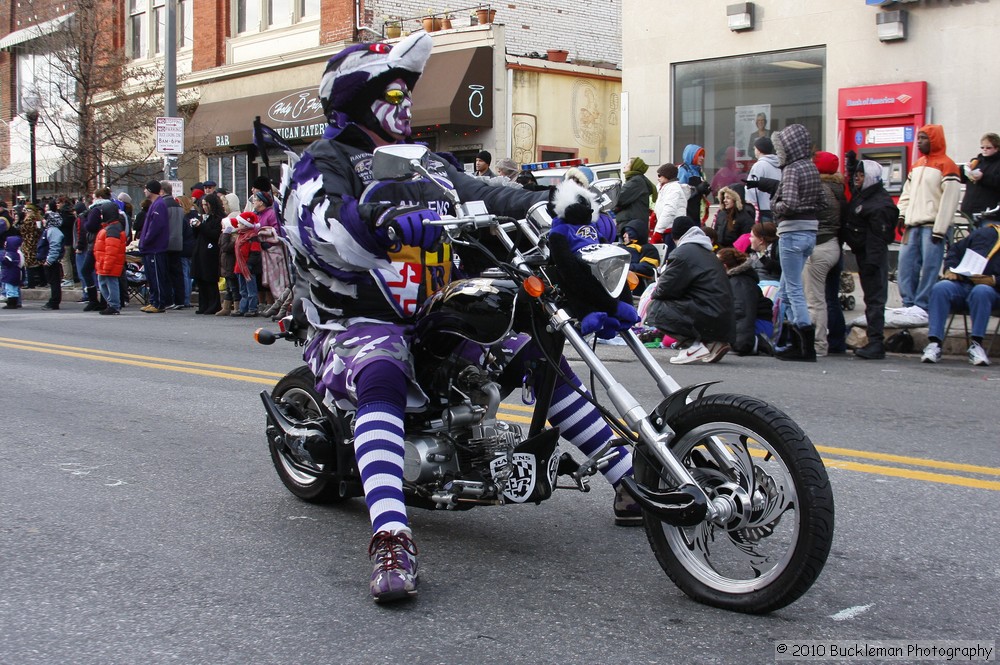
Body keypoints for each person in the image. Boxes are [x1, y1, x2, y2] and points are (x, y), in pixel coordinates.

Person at [281, 33, 639, 602]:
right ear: (355, 96)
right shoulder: (321, 162)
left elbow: (477, 191)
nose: (406, 102)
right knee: (382, 371)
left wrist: (542, 208)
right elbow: (322, 228)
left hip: (429, 312)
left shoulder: (424, 160)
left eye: (408, 91)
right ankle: (391, 538)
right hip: (353, 322)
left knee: (531, 351)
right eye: (394, 89)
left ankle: (628, 477)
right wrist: (380, 222)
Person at [765, 123, 824, 362]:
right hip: (810, 232)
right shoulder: (811, 167)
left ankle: (803, 344)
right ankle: (788, 339)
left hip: (791, 232)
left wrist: (773, 206)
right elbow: (823, 202)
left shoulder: (791, 170)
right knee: (787, 288)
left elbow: (787, 204)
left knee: (794, 288)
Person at [644, 215, 734, 364]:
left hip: (708, 314)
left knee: (655, 307)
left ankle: (693, 345)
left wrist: (653, 293)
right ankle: (712, 343)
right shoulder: (707, 252)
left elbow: (664, 289)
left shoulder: (682, 254)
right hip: (721, 317)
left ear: (675, 237)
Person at [896, 124, 962, 318]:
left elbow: (949, 201)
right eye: (919, 137)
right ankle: (908, 302)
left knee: (930, 267)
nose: (919, 141)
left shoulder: (947, 165)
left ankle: (922, 304)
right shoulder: (917, 165)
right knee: (906, 265)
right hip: (913, 224)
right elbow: (907, 192)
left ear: (934, 140)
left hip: (932, 226)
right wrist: (902, 213)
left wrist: (940, 229)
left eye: (924, 138)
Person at [843, 159, 901, 360]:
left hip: (872, 257)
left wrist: (872, 263)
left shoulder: (880, 204)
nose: (856, 179)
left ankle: (876, 343)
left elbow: (878, 238)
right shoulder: (866, 194)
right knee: (871, 298)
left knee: (875, 299)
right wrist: (850, 168)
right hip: (863, 253)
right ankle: (873, 340)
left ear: (870, 178)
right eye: (855, 176)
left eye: (860, 176)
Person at [920, 222, 1000, 366]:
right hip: (965, 284)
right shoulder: (985, 233)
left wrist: (994, 280)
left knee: (981, 291)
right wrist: (949, 269)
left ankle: (977, 345)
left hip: (993, 291)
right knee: (941, 288)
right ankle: (935, 344)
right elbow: (955, 251)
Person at [804, 151, 845, 358]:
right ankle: (837, 341)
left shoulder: (819, 190)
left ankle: (819, 344)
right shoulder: (839, 188)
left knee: (815, 299)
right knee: (831, 299)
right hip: (835, 245)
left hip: (819, 246)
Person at [717, 247, 773, 356]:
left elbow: (743, 313)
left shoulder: (740, 283)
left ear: (724, 267)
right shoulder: (733, 280)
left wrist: (743, 344)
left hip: (757, 327)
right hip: (749, 324)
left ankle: (755, 342)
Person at [138, 180, 178, 313]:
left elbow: (156, 226)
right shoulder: (155, 204)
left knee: (157, 276)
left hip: (155, 248)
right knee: (151, 277)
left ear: (150, 190)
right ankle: (154, 300)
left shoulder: (159, 205)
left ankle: (159, 303)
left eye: (145, 189)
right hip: (150, 248)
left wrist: (146, 241)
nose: (144, 191)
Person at [191, 192, 224, 315]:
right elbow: (197, 235)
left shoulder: (218, 219)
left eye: (207, 205)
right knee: (200, 279)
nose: (204, 207)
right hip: (200, 250)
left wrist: (201, 226)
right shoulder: (203, 217)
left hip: (211, 251)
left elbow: (214, 234)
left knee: (209, 279)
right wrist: (195, 227)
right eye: (203, 205)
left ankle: (213, 305)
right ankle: (203, 304)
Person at [93, 200, 127, 315]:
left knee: (109, 283)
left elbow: (111, 250)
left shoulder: (112, 229)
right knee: (105, 283)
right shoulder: (113, 227)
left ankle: (114, 305)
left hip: (107, 262)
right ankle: (113, 304)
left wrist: (107, 265)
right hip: (106, 262)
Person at [959, 132, 1000, 223]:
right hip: (971, 210)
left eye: (988, 148)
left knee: (987, 235)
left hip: (989, 212)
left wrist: (983, 177)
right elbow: (962, 179)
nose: (985, 150)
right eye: (982, 147)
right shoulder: (977, 161)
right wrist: (964, 169)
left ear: (997, 148)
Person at [614, 156, 655, 242]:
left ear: (634, 166)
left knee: (628, 253)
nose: (624, 166)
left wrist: (613, 206)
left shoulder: (636, 181)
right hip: (631, 225)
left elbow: (618, 199)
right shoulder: (635, 180)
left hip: (631, 227)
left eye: (627, 163)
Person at [651, 163, 686, 250]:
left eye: (660, 175)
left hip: (671, 229)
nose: (658, 178)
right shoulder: (663, 187)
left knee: (669, 256)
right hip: (666, 228)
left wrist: (658, 231)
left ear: (667, 175)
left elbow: (669, 211)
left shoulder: (673, 188)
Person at [745, 137, 781, 222]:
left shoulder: (759, 165)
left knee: (762, 235)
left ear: (759, 150)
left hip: (762, 211)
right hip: (777, 209)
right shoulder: (780, 165)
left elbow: (751, 189)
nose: (754, 150)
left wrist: (749, 207)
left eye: (755, 148)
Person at [620, 222, 660, 295]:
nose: (624, 236)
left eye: (627, 232)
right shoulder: (621, 246)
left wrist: (625, 267)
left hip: (632, 282)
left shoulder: (648, 249)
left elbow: (648, 269)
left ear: (635, 234)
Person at [37, 207, 65, 310]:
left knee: (54, 282)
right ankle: (53, 301)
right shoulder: (49, 230)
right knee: (53, 281)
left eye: (45, 218)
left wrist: (49, 260)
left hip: (51, 262)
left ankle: (54, 302)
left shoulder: (53, 231)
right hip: (49, 260)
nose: (43, 220)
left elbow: (54, 247)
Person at [712, 184, 755, 249]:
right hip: (719, 250)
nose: (724, 200)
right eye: (724, 197)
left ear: (736, 200)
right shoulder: (721, 214)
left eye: (728, 198)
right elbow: (715, 233)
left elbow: (745, 242)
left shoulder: (745, 217)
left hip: (735, 254)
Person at [1, 236, 25, 309]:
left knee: (10, 290)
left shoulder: (11, 254)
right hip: (15, 273)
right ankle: (15, 302)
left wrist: (2, 259)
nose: (5, 243)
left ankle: (11, 304)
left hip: (10, 274)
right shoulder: (17, 253)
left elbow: (8, 263)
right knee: (14, 289)